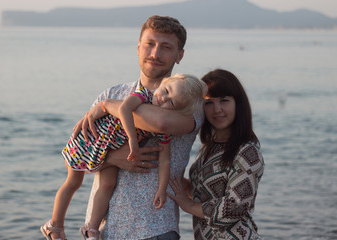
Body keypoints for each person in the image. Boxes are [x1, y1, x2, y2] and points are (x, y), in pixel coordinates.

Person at [43, 15, 204, 240]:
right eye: (150, 44)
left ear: (180, 55)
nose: (155, 54)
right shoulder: (111, 94)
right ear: (138, 48)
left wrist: (110, 108)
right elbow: (83, 148)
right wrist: (109, 158)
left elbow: (162, 122)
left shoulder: (188, 105)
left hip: (154, 228)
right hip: (101, 230)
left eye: (166, 47)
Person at [168, 69, 265, 239]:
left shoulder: (247, 151)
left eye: (224, 101)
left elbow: (233, 207)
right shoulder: (208, 147)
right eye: (208, 102)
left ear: (238, 103)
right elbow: (206, 191)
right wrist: (175, 181)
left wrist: (188, 205)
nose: (217, 109)